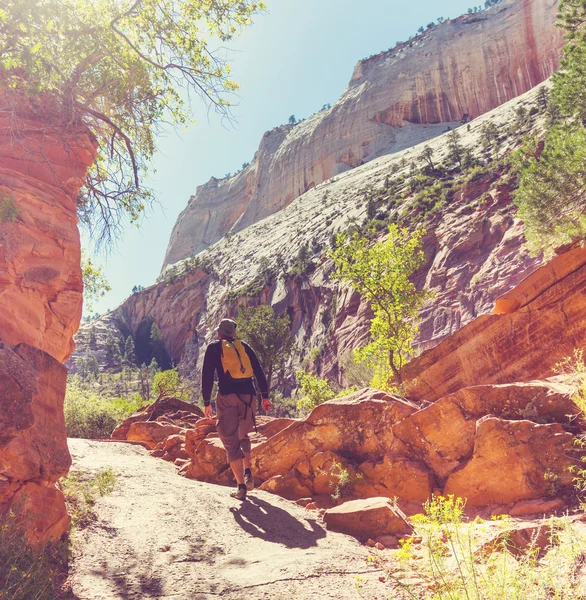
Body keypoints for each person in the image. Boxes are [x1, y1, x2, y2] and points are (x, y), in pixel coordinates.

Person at [201, 318, 272, 500]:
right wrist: (265, 397)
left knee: (229, 439)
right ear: (233, 333)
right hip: (249, 397)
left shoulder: (214, 348)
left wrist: (206, 401)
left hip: (227, 397)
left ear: (219, 333)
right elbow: (259, 372)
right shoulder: (245, 347)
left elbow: (207, 375)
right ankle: (248, 471)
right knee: (243, 435)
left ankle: (241, 486)